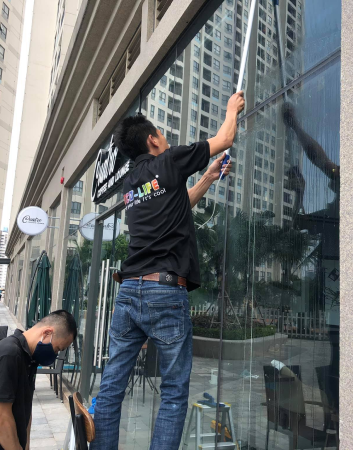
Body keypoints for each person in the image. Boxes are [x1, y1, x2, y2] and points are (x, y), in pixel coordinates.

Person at [91, 92, 245, 449]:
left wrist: (207, 178)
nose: (166, 138)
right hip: (164, 291)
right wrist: (231, 109)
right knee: (174, 391)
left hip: (129, 292)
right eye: (162, 133)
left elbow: (178, 206)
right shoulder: (171, 160)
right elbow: (225, 139)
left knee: (112, 387)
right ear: (153, 140)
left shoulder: (131, 183)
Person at [0, 310, 77, 450]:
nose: (55, 354)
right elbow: (0, 418)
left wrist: (26, 445)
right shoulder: (9, 355)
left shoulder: (29, 358)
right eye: (57, 348)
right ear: (47, 333)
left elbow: (25, 407)